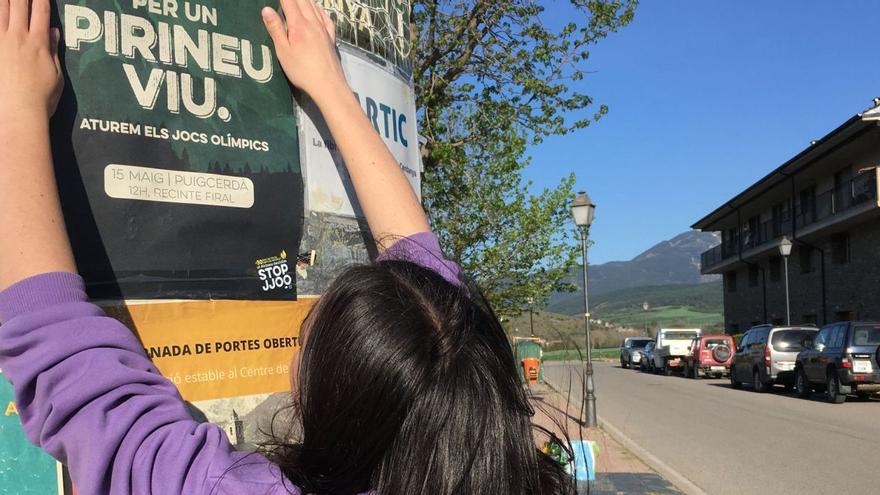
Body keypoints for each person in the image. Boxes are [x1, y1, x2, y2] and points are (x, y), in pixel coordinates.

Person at [0, 0, 572, 493]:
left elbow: (62, 353)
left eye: (312, 335)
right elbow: (429, 292)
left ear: (336, 408)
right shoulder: (486, 458)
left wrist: (15, 109)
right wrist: (330, 86)